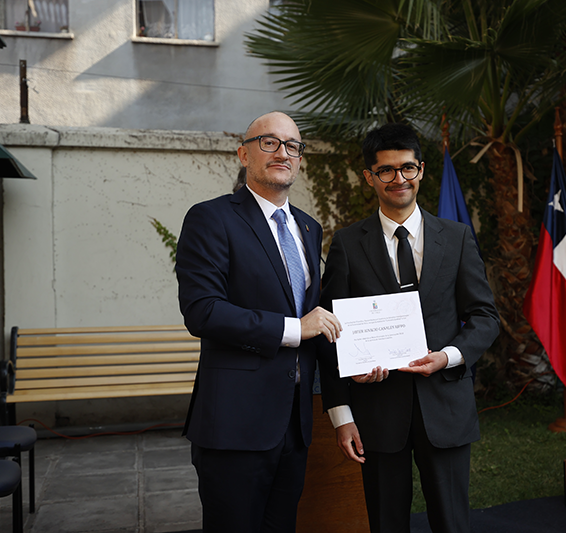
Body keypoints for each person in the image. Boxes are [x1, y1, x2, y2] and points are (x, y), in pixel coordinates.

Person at [318, 123, 500, 533]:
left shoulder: (455, 238)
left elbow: (486, 317)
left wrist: (448, 356)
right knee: (386, 524)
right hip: (377, 413)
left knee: (453, 524)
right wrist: (340, 414)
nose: (398, 179)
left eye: (407, 168)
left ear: (421, 170)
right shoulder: (347, 244)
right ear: (370, 177)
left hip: (446, 408)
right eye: (386, 170)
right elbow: (331, 333)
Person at [176, 111, 342, 532]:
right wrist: (293, 328)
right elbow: (202, 310)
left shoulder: (308, 227)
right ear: (243, 153)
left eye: (292, 145)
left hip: (294, 425)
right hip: (236, 423)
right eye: (269, 142)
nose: (283, 152)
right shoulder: (211, 218)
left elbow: (318, 315)